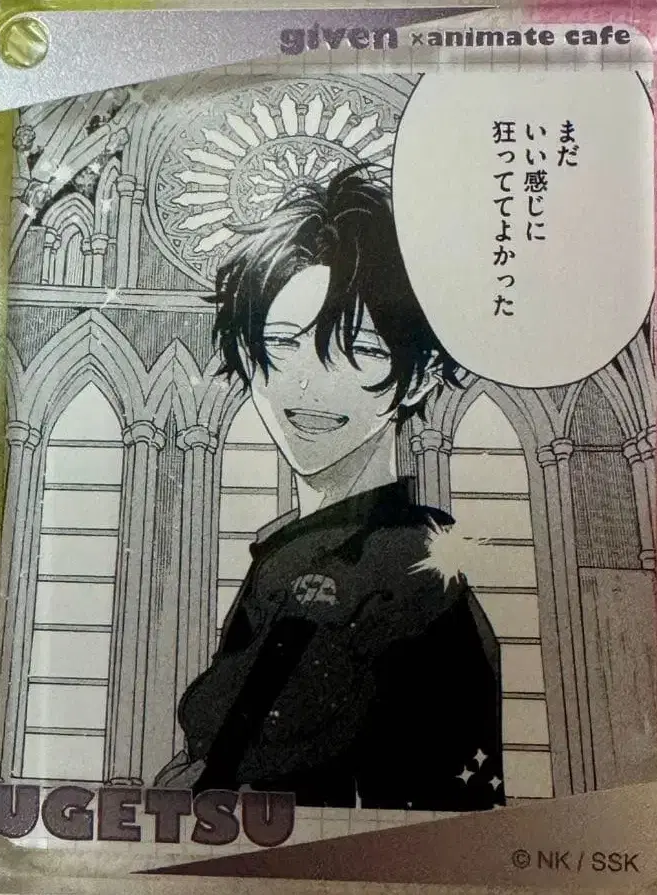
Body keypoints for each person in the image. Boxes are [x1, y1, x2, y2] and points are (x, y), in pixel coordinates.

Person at [154, 168, 504, 812]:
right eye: (282, 344)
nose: (309, 384)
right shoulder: (288, 558)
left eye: (359, 350)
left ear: (419, 376)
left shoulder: (408, 575)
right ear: (250, 357)